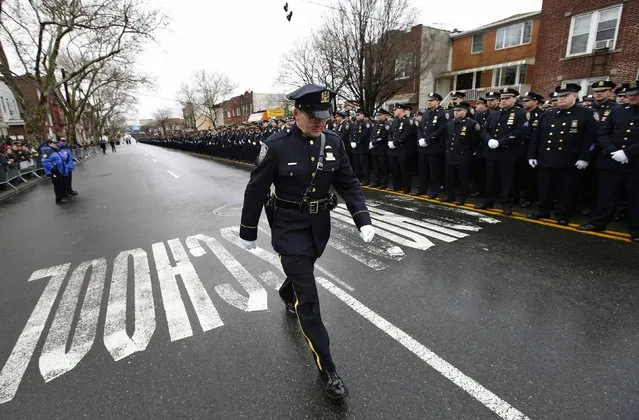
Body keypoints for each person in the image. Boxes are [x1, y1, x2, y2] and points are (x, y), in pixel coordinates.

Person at [238, 84, 375, 401]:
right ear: (296, 113)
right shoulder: (275, 146)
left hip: (318, 226)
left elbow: (348, 183)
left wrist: (362, 218)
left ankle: (287, 291)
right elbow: (256, 189)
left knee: (303, 273)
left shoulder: (334, 143)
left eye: (324, 117)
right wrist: (247, 230)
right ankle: (328, 370)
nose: (320, 123)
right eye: (313, 117)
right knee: (309, 300)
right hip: (288, 226)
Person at [527, 83, 598, 225]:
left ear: (575, 96)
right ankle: (543, 210)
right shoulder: (547, 115)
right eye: (559, 96)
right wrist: (532, 155)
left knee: (566, 190)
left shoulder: (586, 114)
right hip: (546, 158)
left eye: (565, 96)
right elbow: (537, 137)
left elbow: (590, 138)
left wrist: (584, 157)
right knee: (545, 187)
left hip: (569, 160)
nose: (561, 99)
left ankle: (563, 214)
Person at [577, 82, 639, 243]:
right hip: (612, 160)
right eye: (631, 93)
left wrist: (627, 152)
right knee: (606, 195)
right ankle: (598, 222)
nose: (632, 96)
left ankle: (636, 230)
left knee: (635, 198)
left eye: (636, 94)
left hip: (635, 162)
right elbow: (603, 132)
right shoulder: (618, 110)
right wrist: (613, 151)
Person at [477, 88, 527, 215]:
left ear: (514, 98)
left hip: (507, 152)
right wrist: (488, 140)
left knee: (507, 180)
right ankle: (488, 201)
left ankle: (506, 203)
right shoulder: (494, 113)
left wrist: (501, 142)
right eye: (502, 99)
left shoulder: (520, 112)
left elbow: (519, 132)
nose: (503, 101)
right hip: (492, 151)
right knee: (490, 178)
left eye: (507, 98)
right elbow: (484, 129)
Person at [442, 102, 481, 205]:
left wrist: (469, 152)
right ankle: (450, 196)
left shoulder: (471, 123)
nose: (456, 113)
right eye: (455, 111)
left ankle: (462, 198)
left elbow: (475, 141)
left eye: (458, 111)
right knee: (449, 177)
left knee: (463, 178)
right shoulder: (450, 122)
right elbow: (447, 137)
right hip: (450, 153)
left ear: (465, 111)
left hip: (463, 155)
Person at [416, 92, 447, 198]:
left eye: (431, 100)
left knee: (434, 171)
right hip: (423, 146)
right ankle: (422, 189)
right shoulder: (426, 113)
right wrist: (420, 138)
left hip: (434, 147)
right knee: (423, 169)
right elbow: (420, 128)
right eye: (428, 100)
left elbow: (441, 129)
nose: (429, 102)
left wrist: (427, 140)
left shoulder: (442, 113)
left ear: (438, 101)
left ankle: (434, 191)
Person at [387, 103, 417, 193]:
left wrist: (395, 143)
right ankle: (397, 186)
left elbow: (406, 135)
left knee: (404, 169)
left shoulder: (408, 121)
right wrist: (390, 141)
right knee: (395, 168)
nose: (394, 111)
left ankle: (406, 188)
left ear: (401, 110)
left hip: (403, 149)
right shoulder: (395, 121)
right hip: (394, 149)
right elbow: (390, 132)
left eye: (395, 109)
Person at [369, 108, 391, 188]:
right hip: (375, 149)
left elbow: (383, 137)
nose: (377, 117)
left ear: (385, 115)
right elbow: (372, 134)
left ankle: (383, 183)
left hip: (382, 149)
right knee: (376, 167)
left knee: (383, 167)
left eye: (379, 115)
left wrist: (374, 143)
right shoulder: (376, 124)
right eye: (377, 115)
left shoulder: (387, 125)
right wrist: (371, 142)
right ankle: (376, 182)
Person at [40, 139, 68, 204]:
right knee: (57, 184)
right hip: (54, 171)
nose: (55, 144)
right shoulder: (47, 151)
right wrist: (52, 168)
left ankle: (61, 196)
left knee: (60, 183)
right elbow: (44, 161)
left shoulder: (54, 150)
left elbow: (61, 158)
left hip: (59, 170)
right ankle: (58, 199)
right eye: (54, 143)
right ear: (50, 143)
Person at [350, 109, 372, 185]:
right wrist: (351, 141)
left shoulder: (366, 123)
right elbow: (351, 134)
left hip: (363, 147)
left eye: (358, 115)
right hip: (355, 148)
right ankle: (357, 179)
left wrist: (357, 142)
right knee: (356, 164)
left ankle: (365, 180)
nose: (357, 116)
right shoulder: (355, 123)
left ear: (363, 115)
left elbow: (364, 135)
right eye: (356, 115)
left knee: (364, 165)